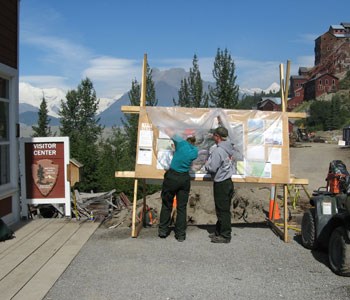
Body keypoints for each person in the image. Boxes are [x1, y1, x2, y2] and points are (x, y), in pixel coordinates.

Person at [158, 128, 198, 242]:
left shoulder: (181, 143)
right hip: (184, 178)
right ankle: (180, 234)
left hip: (172, 177)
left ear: (186, 136)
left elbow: (169, 131)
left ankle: (163, 230)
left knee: (167, 204)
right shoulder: (195, 151)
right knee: (181, 207)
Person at [205, 126, 235, 243]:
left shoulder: (218, 151)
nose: (213, 137)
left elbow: (212, 168)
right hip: (228, 181)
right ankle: (219, 231)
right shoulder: (228, 148)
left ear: (217, 136)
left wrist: (207, 163)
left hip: (221, 182)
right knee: (224, 209)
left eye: (214, 135)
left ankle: (225, 235)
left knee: (222, 210)